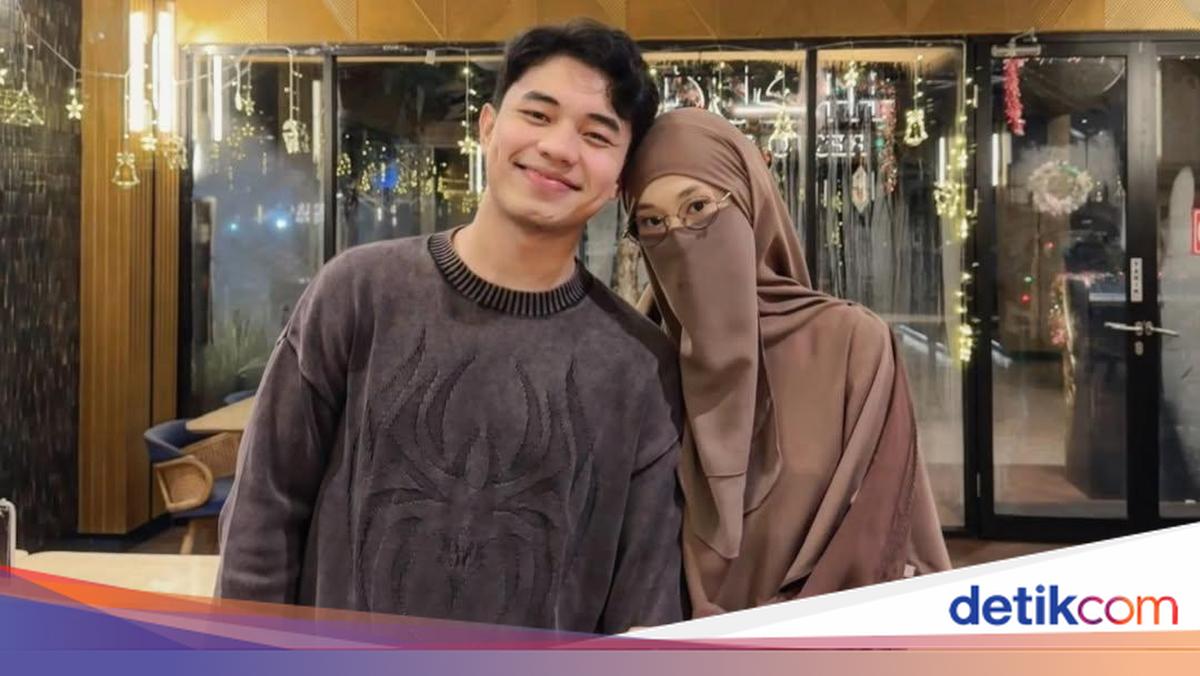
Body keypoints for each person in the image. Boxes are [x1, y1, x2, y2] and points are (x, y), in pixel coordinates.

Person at [216, 20, 685, 634]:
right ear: (487, 126)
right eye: (538, 115)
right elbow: (263, 513)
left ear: (621, 178)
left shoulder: (638, 365)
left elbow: (643, 601)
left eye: (596, 135)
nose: (559, 148)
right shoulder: (359, 292)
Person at [623, 107, 951, 617]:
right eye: (651, 221)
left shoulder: (853, 346)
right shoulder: (641, 361)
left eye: (698, 207)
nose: (679, 237)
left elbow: (879, 525)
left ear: (750, 204)